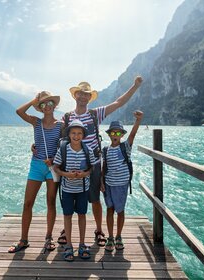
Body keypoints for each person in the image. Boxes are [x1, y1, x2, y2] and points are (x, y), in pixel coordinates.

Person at [56, 76, 143, 247]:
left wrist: (135, 86)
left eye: (86, 94)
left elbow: (119, 102)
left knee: (95, 199)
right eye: (80, 94)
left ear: (90, 97)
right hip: (71, 165)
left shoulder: (95, 114)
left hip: (94, 164)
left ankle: (99, 230)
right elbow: (54, 133)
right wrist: (36, 146)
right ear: (75, 96)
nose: (82, 97)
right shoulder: (66, 117)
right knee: (70, 198)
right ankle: (67, 230)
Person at [8, 91, 62, 253]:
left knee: (50, 203)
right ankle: (23, 240)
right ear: (40, 107)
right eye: (43, 104)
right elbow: (19, 111)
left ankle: (48, 238)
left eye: (50, 103)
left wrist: (54, 159)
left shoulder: (61, 125)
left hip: (53, 168)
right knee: (27, 203)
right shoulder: (36, 122)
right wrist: (34, 100)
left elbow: (64, 146)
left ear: (54, 105)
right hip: (36, 166)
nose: (47, 106)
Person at [52, 119, 98, 261]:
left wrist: (85, 174)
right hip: (67, 189)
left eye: (79, 133)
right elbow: (55, 167)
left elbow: (92, 167)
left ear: (83, 135)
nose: (76, 136)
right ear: (69, 134)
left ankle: (82, 244)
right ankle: (69, 245)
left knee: (82, 215)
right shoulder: (63, 149)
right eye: (73, 133)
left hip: (83, 189)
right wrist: (67, 175)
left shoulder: (87, 150)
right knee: (67, 216)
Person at [102, 111, 143, 251]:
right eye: (113, 133)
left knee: (120, 210)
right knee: (109, 209)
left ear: (122, 135)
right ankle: (110, 237)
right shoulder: (105, 149)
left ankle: (119, 236)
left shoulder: (125, 147)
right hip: (108, 184)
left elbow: (133, 135)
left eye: (118, 133)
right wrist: (101, 183)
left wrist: (137, 121)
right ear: (109, 134)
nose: (115, 135)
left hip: (121, 184)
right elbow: (104, 166)